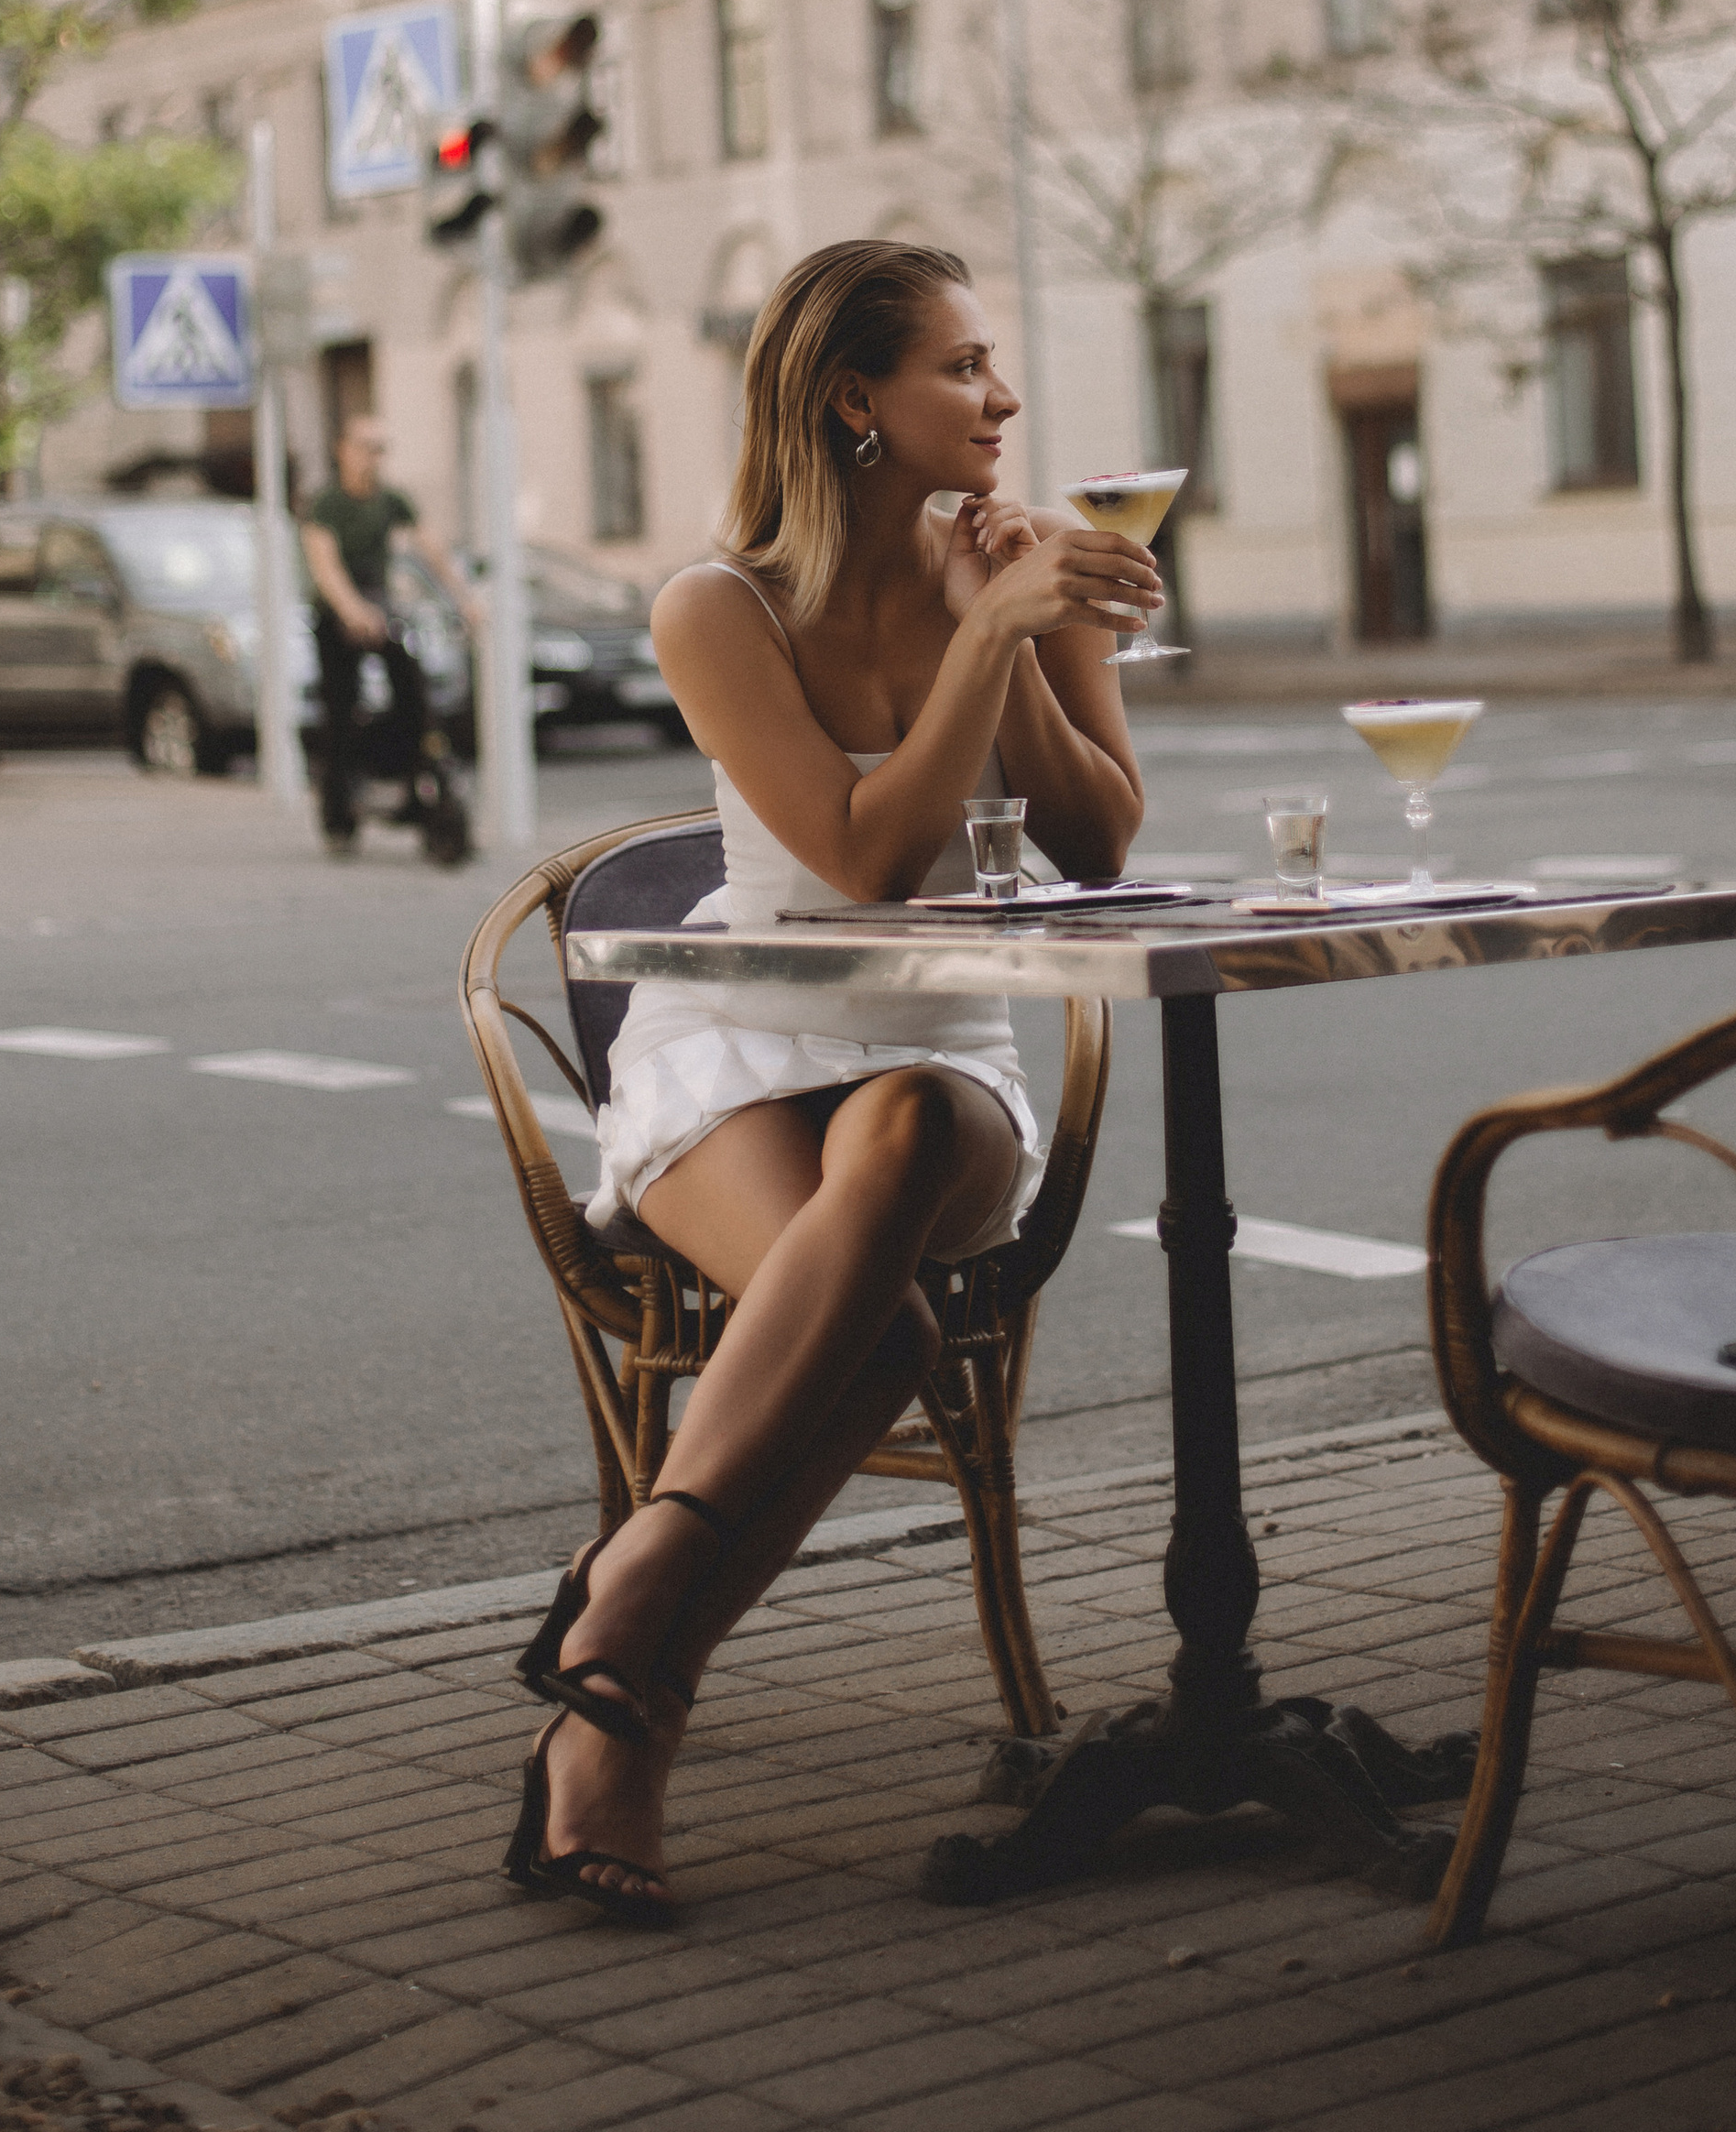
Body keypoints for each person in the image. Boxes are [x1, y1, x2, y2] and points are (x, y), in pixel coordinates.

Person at [507, 237, 1163, 1929]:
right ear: (855, 400)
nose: (1001, 398)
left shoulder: (1013, 568)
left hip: (945, 1055)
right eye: (961, 367)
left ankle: (634, 1588)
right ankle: (630, 1699)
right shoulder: (713, 607)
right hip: (730, 1046)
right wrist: (987, 635)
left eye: (993, 363)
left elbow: (1095, 843)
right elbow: (866, 860)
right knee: (886, 1331)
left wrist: (1009, 627)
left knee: (902, 1122)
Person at [299, 417, 477, 850]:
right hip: (338, 614)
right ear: (344, 450)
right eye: (366, 447)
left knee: (415, 701)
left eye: (381, 449)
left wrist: (465, 597)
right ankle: (338, 819)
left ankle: (417, 794)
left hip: (381, 606)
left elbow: (430, 548)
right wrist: (351, 609)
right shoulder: (326, 504)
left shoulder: (391, 501)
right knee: (341, 711)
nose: (374, 458)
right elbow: (325, 566)